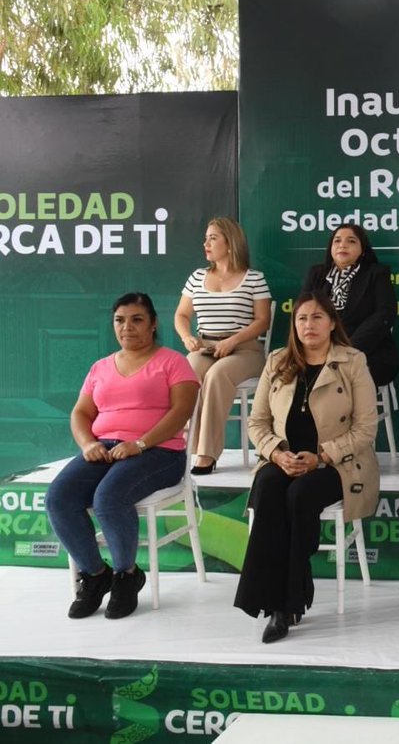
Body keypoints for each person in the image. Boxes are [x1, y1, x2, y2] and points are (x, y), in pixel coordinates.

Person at [235, 291, 380, 643]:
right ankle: (284, 597)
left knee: (300, 495)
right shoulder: (277, 361)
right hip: (284, 457)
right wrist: (277, 452)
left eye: (317, 317)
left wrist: (323, 456)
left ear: (332, 323)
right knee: (268, 489)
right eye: (301, 318)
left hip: (338, 462)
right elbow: (257, 423)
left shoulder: (353, 361)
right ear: (294, 325)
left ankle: (286, 605)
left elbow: (366, 427)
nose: (309, 325)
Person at [47, 293, 199, 620]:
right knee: (59, 498)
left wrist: (140, 444)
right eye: (120, 320)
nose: (126, 327)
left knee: (109, 497)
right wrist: (88, 443)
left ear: (154, 323)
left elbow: (181, 411)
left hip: (159, 451)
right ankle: (95, 574)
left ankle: (126, 575)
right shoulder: (100, 367)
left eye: (137, 319)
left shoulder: (173, 361)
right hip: (105, 448)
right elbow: (80, 412)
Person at [174, 217, 272, 475]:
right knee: (187, 371)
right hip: (205, 346)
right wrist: (187, 338)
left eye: (212, 238)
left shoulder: (254, 278)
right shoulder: (197, 277)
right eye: (205, 238)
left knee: (217, 375)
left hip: (244, 349)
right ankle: (180, 447)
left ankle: (206, 453)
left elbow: (263, 320)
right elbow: (181, 315)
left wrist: (233, 341)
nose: (206, 243)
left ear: (230, 243)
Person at [301, 223, 399, 387]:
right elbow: (303, 312)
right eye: (337, 241)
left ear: (363, 249)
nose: (342, 245)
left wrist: (348, 349)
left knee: (339, 373)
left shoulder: (376, 273)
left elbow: (385, 314)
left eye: (351, 241)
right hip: (319, 350)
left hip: (368, 352)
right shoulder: (317, 274)